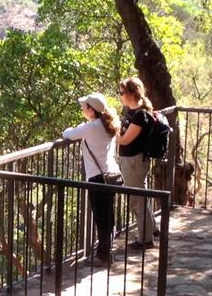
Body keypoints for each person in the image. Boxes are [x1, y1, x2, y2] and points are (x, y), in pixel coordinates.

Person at [62, 92, 120, 265]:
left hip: (97, 177)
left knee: (101, 217)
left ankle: (103, 255)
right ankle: (106, 251)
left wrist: (81, 126)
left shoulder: (91, 127)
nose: (82, 108)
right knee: (108, 215)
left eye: (85, 106)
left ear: (92, 110)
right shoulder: (107, 125)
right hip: (111, 175)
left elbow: (68, 133)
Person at [116, 76, 158, 248]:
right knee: (141, 196)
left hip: (134, 161)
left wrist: (111, 134)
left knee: (136, 200)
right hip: (132, 161)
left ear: (132, 94)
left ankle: (145, 239)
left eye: (122, 92)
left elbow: (125, 140)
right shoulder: (133, 112)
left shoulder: (140, 115)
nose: (120, 95)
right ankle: (151, 229)